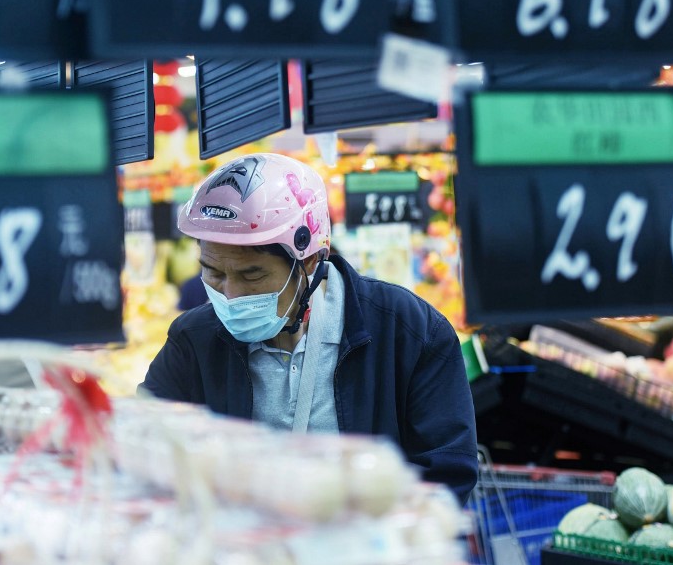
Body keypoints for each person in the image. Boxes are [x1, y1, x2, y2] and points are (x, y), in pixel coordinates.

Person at [141, 153, 478, 503]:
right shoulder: (191, 341)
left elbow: (446, 475)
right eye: (214, 272)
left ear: (311, 260)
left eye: (252, 275)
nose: (231, 294)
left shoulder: (411, 332)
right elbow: (144, 448)